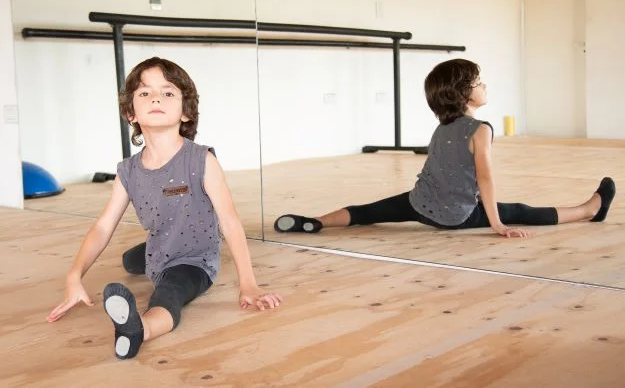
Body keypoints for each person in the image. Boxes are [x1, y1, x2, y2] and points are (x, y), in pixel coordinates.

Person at [47, 57, 282, 359]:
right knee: (132, 260)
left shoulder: (201, 161)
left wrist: (248, 284)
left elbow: (230, 221)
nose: (156, 97)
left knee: (169, 290)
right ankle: (142, 259)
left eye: (167, 92)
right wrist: (74, 275)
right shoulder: (128, 171)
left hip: (193, 260)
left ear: (186, 112)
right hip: (159, 248)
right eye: (145, 93)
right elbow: (104, 226)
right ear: (130, 112)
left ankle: (138, 329)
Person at [274, 58, 616, 238]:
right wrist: (496, 223)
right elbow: (485, 179)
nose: (484, 86)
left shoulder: (444, 125)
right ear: (464, 94)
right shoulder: (481, 129)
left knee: (367, 212)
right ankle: (588, 210)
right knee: (522, 210)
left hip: (420, 204)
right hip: (456, 216)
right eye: (479, 82)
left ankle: (316, 222)